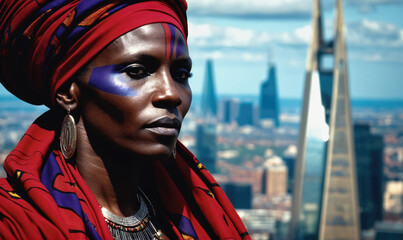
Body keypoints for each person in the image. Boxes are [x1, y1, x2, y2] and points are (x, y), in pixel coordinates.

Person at [0, 0, 250, 239]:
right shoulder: (14, 225)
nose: (171, 93)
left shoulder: (198, 214)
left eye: (181, 74)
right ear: (68, 92)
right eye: (137, 72)